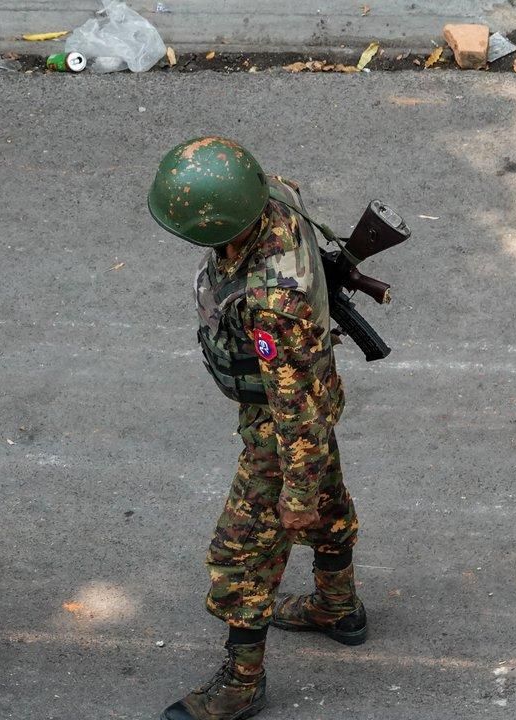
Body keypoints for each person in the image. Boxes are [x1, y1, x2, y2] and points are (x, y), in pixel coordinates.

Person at [147, 138, 367, 720]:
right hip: (310, 393)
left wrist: (295, 491)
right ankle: (336, 606)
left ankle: (242, 684)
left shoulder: (273, 303)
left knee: (240, 555)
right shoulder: (271, 195)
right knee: (329, 493)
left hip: (284, 420)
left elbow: (294, 410)